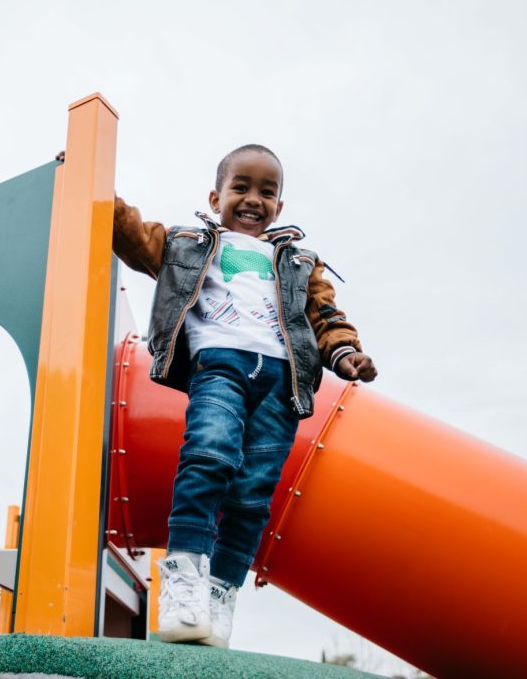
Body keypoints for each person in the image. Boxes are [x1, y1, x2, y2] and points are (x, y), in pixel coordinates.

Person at [109, 144, 377, 648]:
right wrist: (94, 185)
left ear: (280, 205)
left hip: (280, 380)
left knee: (253, 493)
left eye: (267, 192)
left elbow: (325, 319)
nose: (253, 199)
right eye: (241, 188)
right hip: (221, 364)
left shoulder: (298, 262)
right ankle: (185, 578)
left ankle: (219, 594)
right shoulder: (189, 244)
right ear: (216, 197)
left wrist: (347, 356)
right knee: (209, 456)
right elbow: (134, 237)